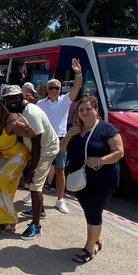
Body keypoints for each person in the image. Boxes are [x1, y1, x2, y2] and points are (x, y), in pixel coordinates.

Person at [60, 96, 123, 263]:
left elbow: (119, 152)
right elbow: (62, 148)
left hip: (103, 178)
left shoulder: (107, 129)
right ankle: (98, 238)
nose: (84, 113)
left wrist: (100, 161)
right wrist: (69, 135)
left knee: (93, 210)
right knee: (89, 209)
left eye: (88, 109)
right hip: (80, 179)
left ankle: (89, 248)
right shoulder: (75, 128)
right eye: (81, 110)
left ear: (96, 110)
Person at [3, 85, 59, 240]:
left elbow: (37, 144)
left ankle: (36, 226)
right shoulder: (16, 110)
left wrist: (32, 169)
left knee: (35, 186)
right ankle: (39, 210)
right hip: (34, 148)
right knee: (35, 185)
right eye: (9, 98)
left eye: (15, 97)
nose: (12, 100)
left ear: (22, 97)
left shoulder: (31, 114)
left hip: (45, 149)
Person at [34, 58, 82, 214]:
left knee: (60, 171)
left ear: (60, 89)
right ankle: (33, 194)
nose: (54, 90)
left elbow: (76, 87)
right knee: (39, 170)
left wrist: (78, 73)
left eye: (57, 88)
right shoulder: (40, 104)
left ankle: (60, 199)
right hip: (44, 141)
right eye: (51, 88)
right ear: (47, 89)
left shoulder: (65, 101)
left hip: (61, 141)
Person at [0, 98, 34, 235]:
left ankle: (11, 220)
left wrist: (27, 126)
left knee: (1, 181)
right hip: (2, 157)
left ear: (2, 109)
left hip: (18, 155)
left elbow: (30, 134)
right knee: (1, 187)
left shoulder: (9, 124)